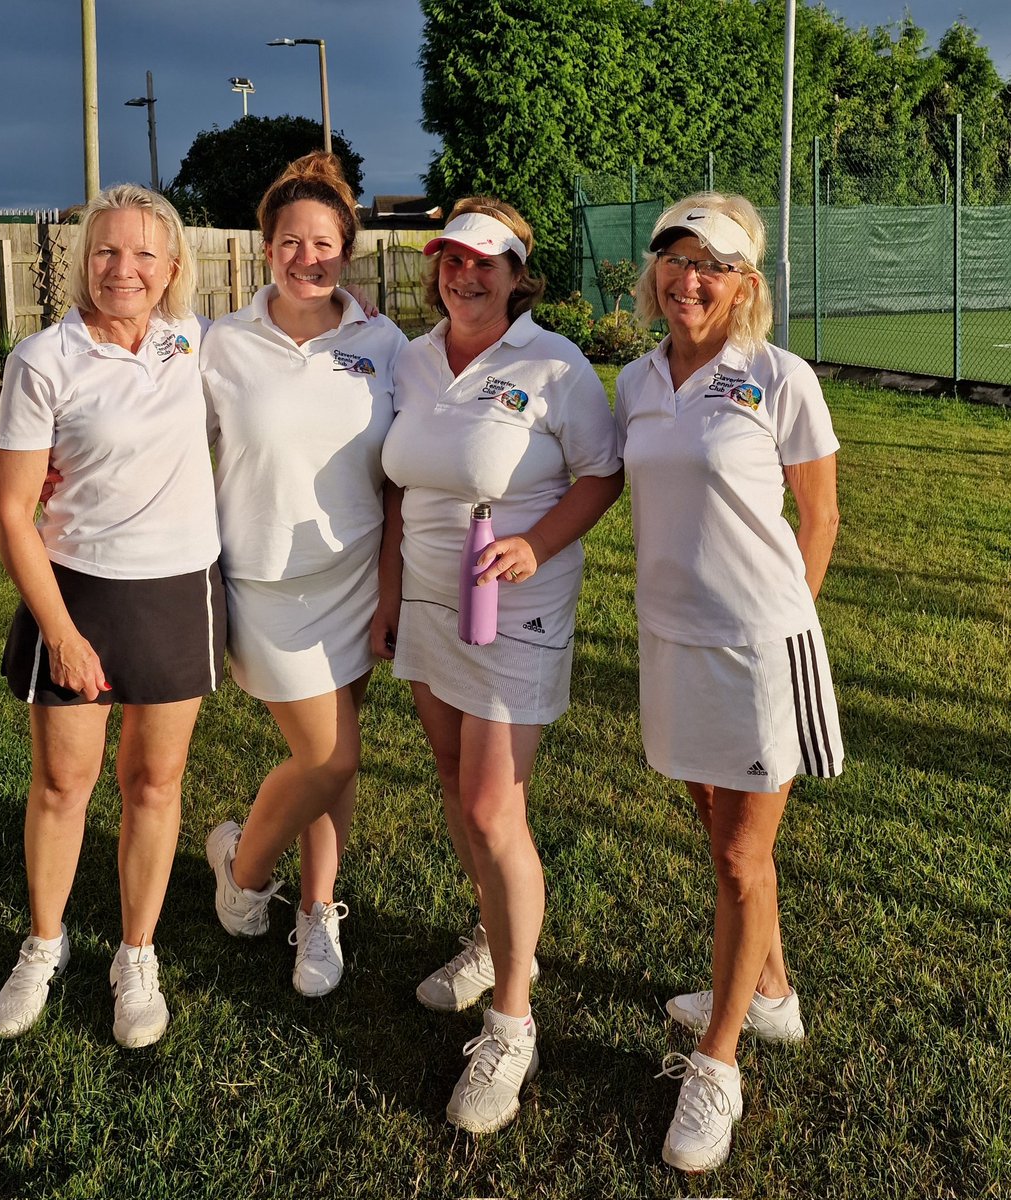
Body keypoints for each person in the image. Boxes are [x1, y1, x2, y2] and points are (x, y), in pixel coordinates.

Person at [380, 198, 623, 1133]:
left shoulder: (554, 364)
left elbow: (601, 473)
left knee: (491, 806)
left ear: (518, 274)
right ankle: (491, 938)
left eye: (486, 262)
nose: (465, 275)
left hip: (516, 606)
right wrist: (391, 592)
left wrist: (537, 544)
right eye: (452, 259)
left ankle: (512, 1025)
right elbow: (398, 490)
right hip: (429, 603)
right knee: (453, 782)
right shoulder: (410, 359)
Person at [615, 193, 844, 1172]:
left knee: (745, 858)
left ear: (745, 284)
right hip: (669, 640)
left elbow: (819, 517)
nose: (690, 279)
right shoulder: (633, 381)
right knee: (720, 836)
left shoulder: (779, 377)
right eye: (675, 258)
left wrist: (784, 621)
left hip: (758, 648)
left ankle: (718, 1064)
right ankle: (770, 994)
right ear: (655, 271)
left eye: (713, 265)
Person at [0, 185, 224, 1048]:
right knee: (63, 784)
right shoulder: (43, 359)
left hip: (177, 589)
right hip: (78, 592)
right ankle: (43, 945)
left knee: (154, 784)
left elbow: (293, 339)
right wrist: (60, 633)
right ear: (84, 259)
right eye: (106, 251)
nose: (124, 269)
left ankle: (136, 955)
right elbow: (11, 511)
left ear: (172, 267)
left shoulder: (195, 340)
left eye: (144, 254)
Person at [201, 153, 406, 997]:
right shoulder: (220, 342)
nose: (307, 258)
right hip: (264, 588)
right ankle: (242, 871)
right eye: (290, 241)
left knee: (335, 760)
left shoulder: (384, 343)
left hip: (354, 579)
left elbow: (403, 475)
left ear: (347, 252)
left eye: (324, 243)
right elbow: (159, 435)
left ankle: (318, 910)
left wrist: (390, 589)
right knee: (328, 755)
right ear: (265, 248)